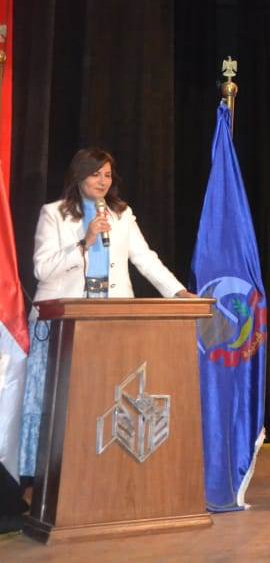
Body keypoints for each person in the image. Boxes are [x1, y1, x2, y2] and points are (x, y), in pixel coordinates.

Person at [20, 148, 196, 478]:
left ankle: (102, 469)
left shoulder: (121, 214)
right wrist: (84, 242)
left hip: (113, 318)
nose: (102, 181)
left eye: (107, 174)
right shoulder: (54, 213)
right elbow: (42, 270)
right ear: (78, 175)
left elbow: (145, 258)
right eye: (95, 173)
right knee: (66, 403)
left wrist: (177, 292)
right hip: (65, 322)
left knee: (104, 397)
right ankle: (58, 473)